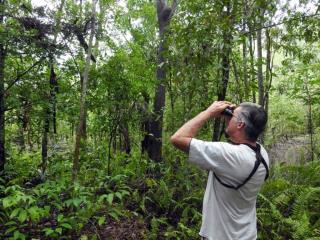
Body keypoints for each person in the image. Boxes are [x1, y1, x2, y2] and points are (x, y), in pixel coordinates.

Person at [170, 101, 269, 240]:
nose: (228, 117)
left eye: (232, 116)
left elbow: (177, 138)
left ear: (240, 124)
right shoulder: (262, 153)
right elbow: (239, 142)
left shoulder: (229, 155)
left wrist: (208, 112)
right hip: (247, 235)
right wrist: (232, 119)